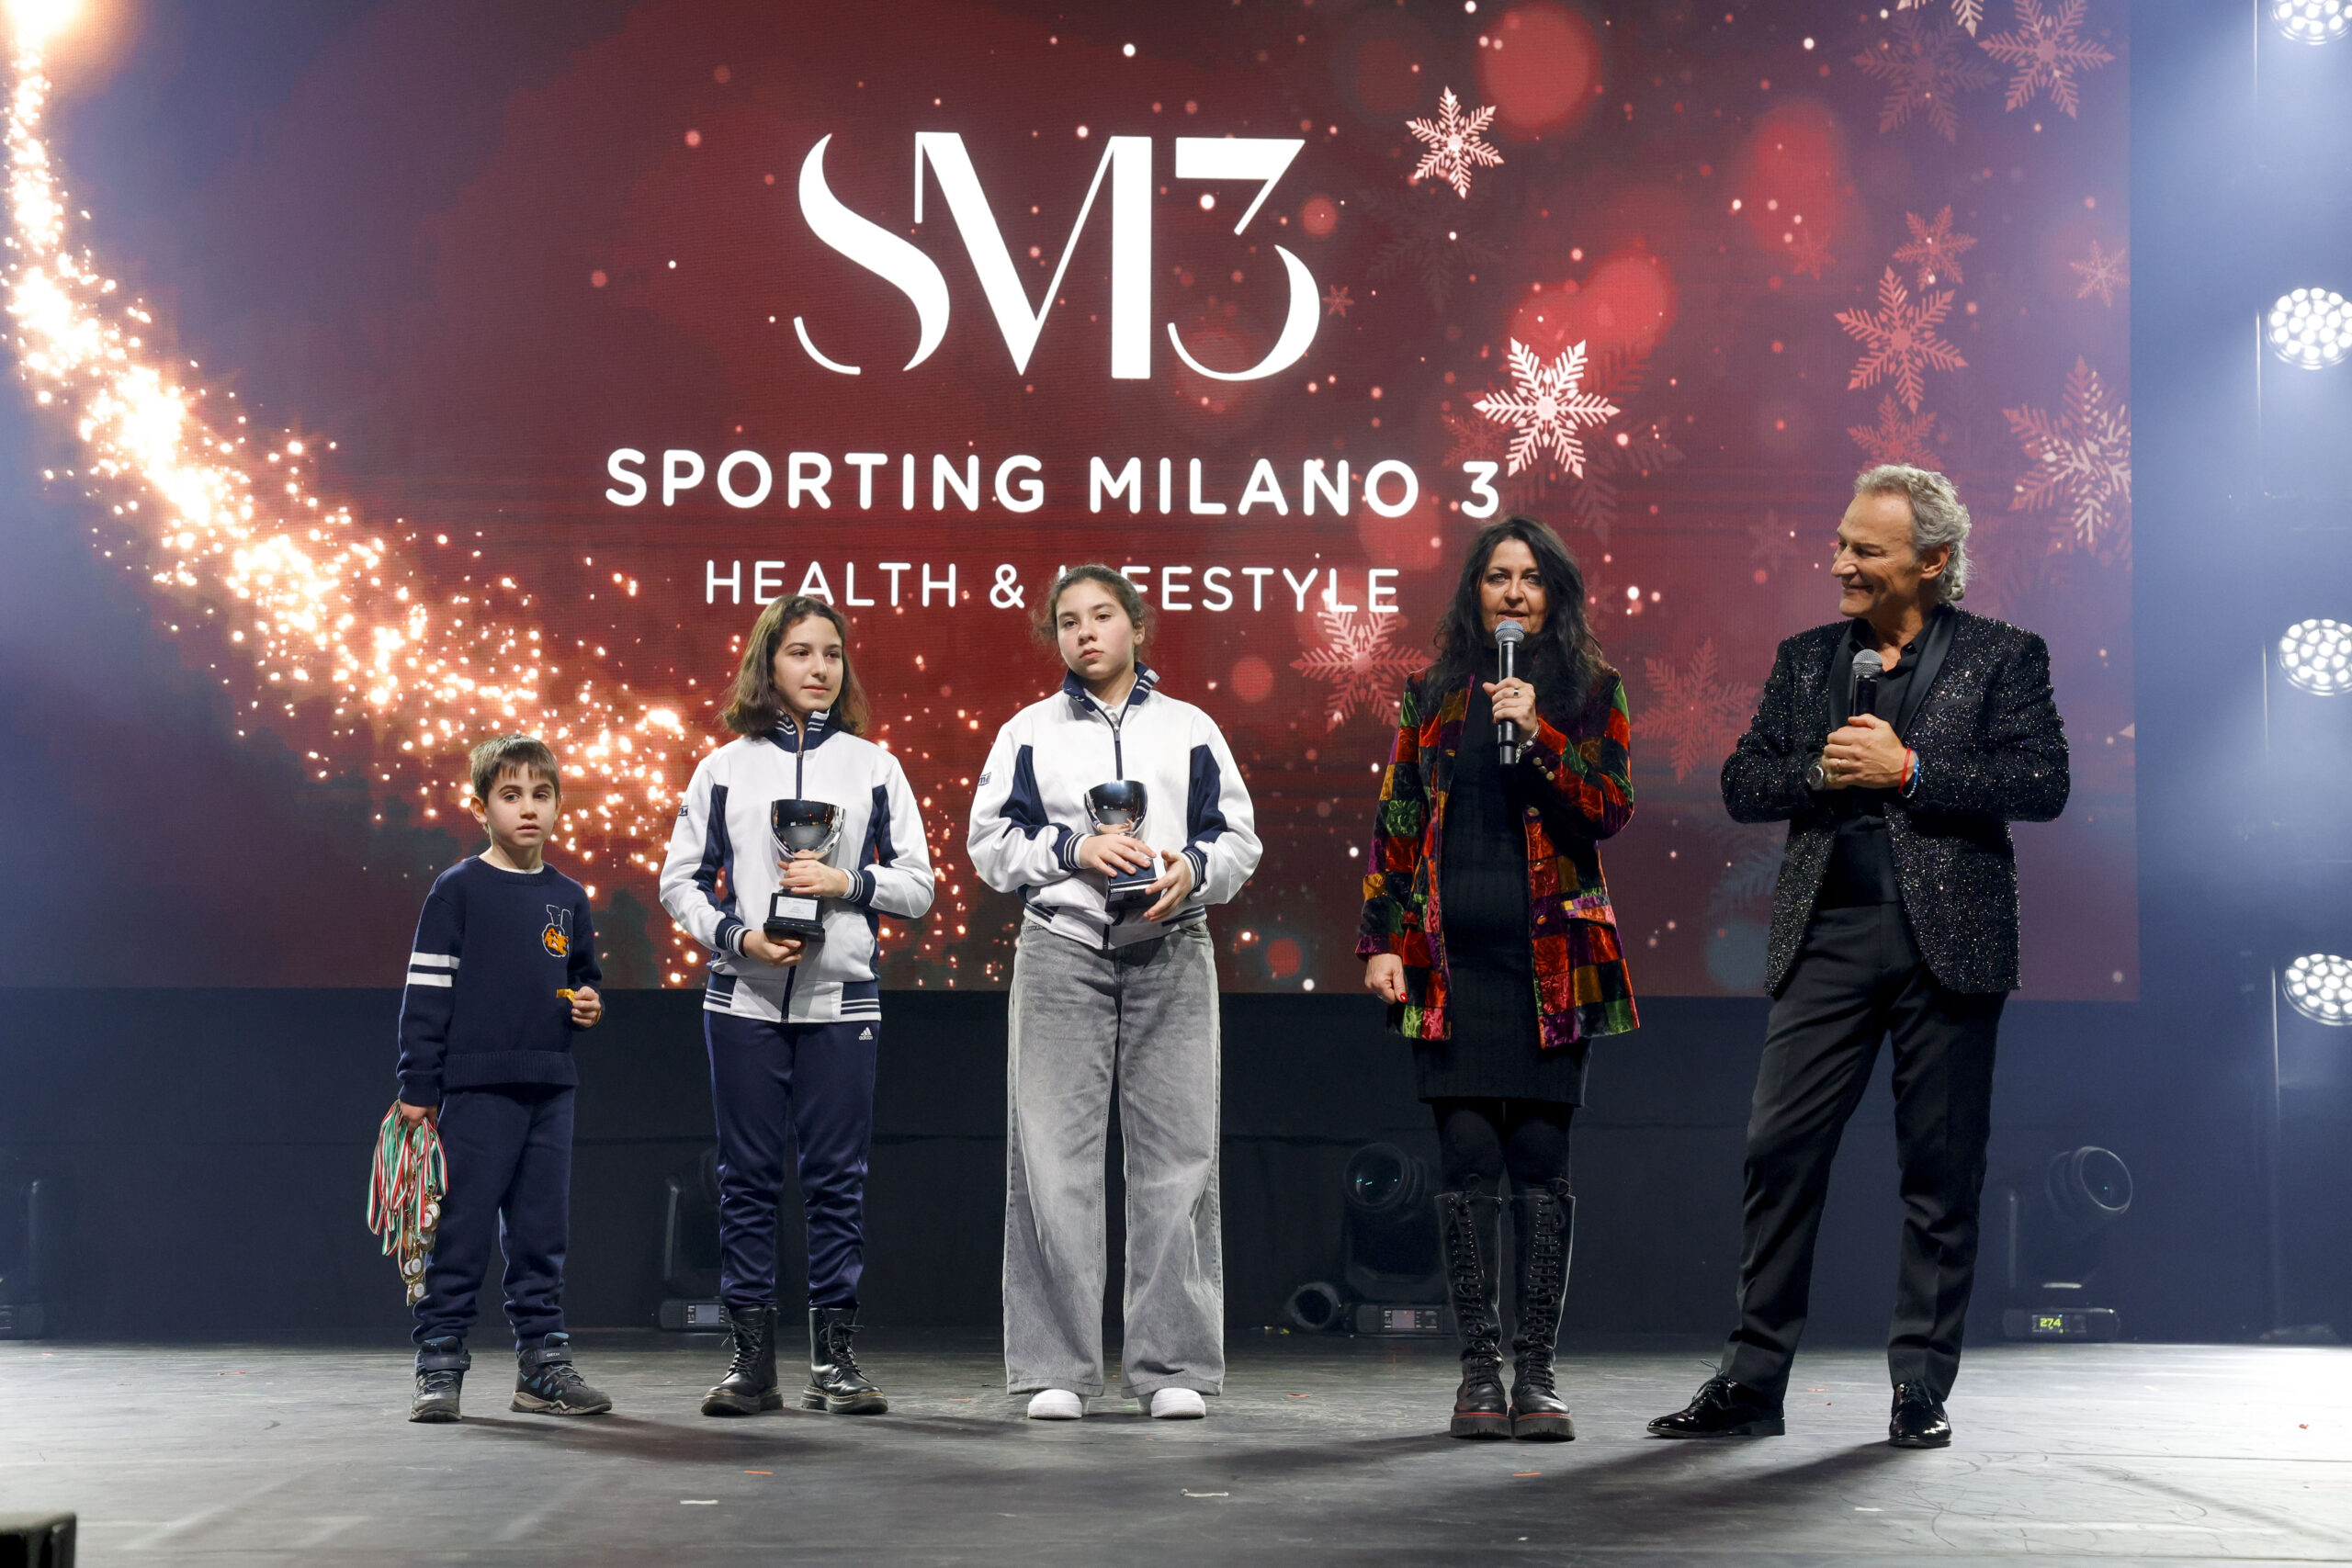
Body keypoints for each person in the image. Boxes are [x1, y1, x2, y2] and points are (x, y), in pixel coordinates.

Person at [1649, 464, 2068, 1450]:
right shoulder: (1806, 660)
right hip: (1827, 936)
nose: (1838, 561)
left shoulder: (2004, 655)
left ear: (1931, 561)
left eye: (1864, 550)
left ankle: (1920, 1386)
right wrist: (1821, 770)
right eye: (1840, 542)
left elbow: (2041, 782)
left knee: (1940, 1169)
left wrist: (1911, 768)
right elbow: (1743, 781)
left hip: (1949, 945)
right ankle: (1751, 1382)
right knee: (1778, 1150)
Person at [1358, 516, 1639, 1442]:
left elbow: (1609, 808)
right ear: (1473, 592)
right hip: (1451, 967)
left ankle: (1539, 1374)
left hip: (1554, 967)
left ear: (1555, 595)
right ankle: (1479, 1373)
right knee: (1468, 1164)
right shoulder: (1432, 694)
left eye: (1531, 578)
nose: (1513, 593)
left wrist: (1540, 733)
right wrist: (1383, 941)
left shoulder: (1591, 691)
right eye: (1496, 577)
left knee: (1542, 1170)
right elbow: (1398, 820)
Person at [967, 565, 1261, 1421]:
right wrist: (1073, 850)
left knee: (1179, 1158)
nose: (1085, 632)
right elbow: (990, 844)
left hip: (1173, 947)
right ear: (1054, 636)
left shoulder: (1190, 728)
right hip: (1062, 949)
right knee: (1051, 1160)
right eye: (1068, 621)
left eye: (1101, 615)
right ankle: (1055, 1365)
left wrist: (1191, 870)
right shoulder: (1028, 732)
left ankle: (1172, 1364)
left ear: (1135, 624)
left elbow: (1237, 839)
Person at [659, 594, 935, 1418]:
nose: (820, 668)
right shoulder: (723, 768)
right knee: (745, 1180)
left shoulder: (875, 766)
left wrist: (846, 881)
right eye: (801, 652)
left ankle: (833, 1363)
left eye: (832, 654)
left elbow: (919, 887)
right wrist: (738, 937)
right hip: (742, 997)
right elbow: (679, 882)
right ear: (767, 663)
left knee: (836, 1182)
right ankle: (751, 1364)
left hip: (841, 999)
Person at [397, 734, 609, 1424]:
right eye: (511, 795)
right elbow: (427, 992)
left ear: (559, 806)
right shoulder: (457, 889)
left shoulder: (568, 897)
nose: (528, 808)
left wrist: (588, 1004)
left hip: (550, 1088)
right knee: (459, 1228)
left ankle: (542, 1366)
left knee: (541, 1234)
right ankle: (439, 1360)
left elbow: (583, 978)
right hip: (476, 1090)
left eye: (541, 795)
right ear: (481, 807)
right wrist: (419, 1084)